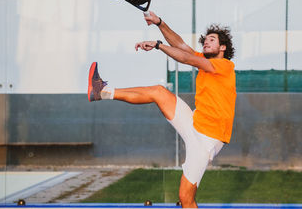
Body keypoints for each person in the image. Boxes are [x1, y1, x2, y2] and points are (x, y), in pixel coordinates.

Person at [88, 11, 236, 208]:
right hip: (195, 122)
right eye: (205, 40)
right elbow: (181, 46)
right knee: (159, 92)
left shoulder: (224, 65)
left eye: (212, 40)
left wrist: (158, 45)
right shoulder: (205, 60)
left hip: (207, 140)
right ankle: (101, 91)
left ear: (223, 47)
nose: (206, 43)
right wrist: (159, 23)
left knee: (186, 199)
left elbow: (187, 59)